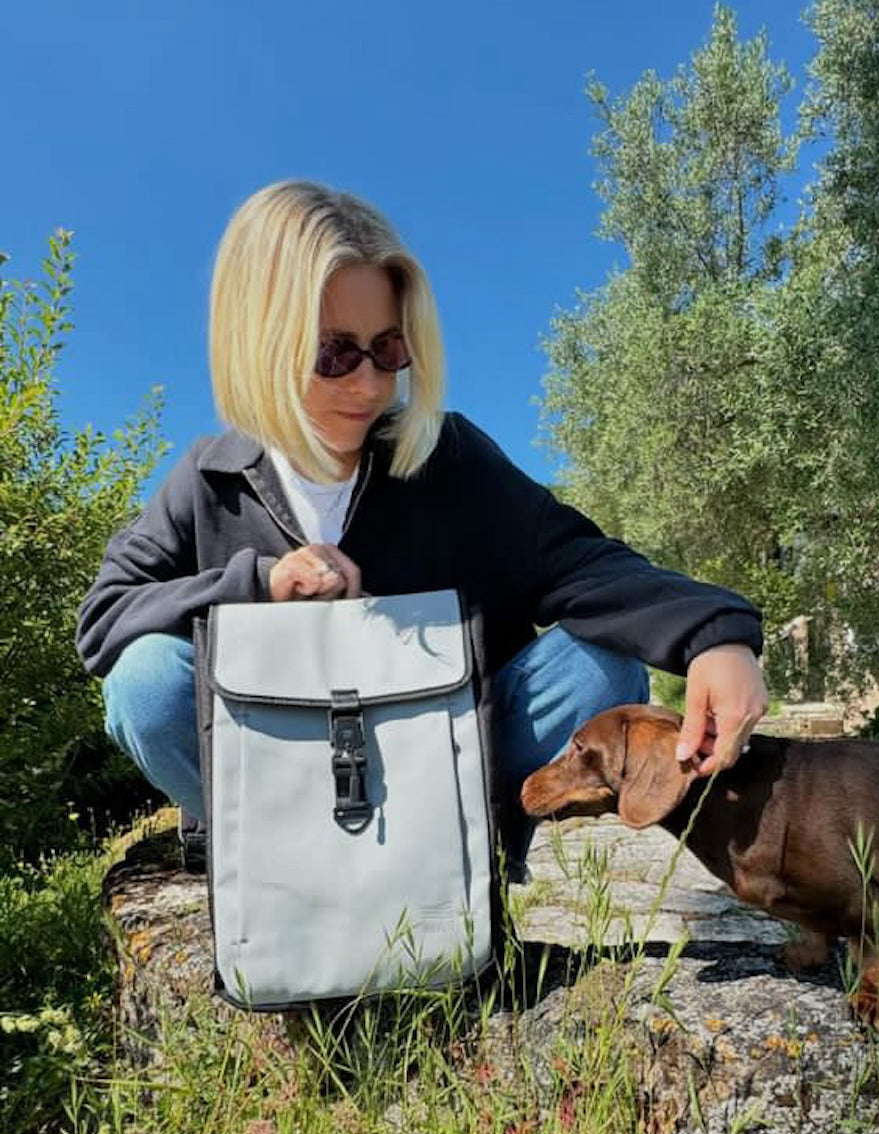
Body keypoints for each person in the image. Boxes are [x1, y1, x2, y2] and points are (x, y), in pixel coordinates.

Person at [76, 179, 768, 870]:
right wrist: (257, 585)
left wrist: (715, 637)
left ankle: (451, 861)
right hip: (271, 794)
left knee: (604, 663)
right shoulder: (207, 479)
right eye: (333, 353)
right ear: (258, 341)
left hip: (444, 776)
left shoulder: (451, 459)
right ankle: (283, 871)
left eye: (390, 349)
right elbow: (104, 620)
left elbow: (581, 563)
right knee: (144, 679)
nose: (372, 384)